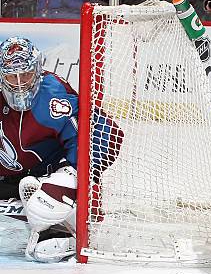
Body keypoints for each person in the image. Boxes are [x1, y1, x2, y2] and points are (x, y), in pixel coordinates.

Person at [0, 37, 123, 262]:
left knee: (47, 250)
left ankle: (68, 217)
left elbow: (106, 134)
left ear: (37, 71)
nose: (19, 84)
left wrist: (68, 176)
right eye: (11, 77)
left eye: (25, 75)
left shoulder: (53, 94)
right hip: (10, 177)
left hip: (47, 175)